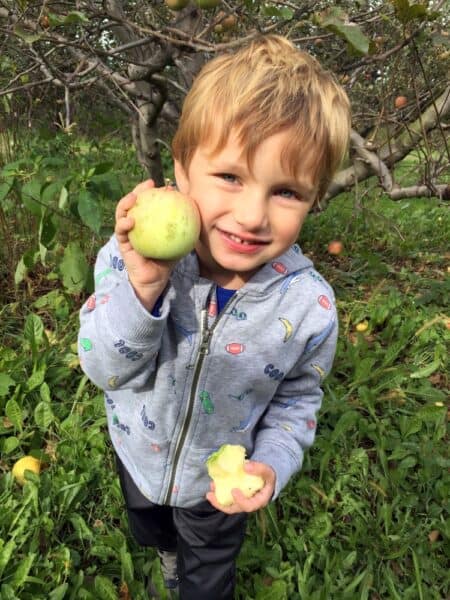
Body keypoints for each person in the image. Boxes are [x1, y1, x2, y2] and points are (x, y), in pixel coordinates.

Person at [78, 34, 351, 600]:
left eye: (285, 192)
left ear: (314, 198)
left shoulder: (309, 308)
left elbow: (298, 403)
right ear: (181, 169)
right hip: (138, 453)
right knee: (150, 526)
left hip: (216, 489)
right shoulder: (133, 261)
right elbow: (103, 367)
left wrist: (272, 465)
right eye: (230, 177)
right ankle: (165, 552)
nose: (251, 216)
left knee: (207, 578)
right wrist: (145, 290)